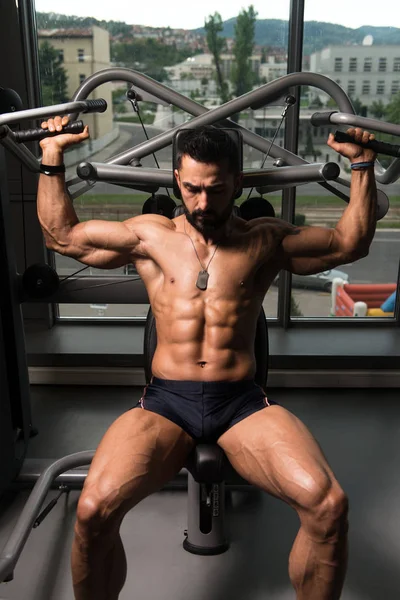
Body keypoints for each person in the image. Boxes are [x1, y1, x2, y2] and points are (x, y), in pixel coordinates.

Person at [37, 118, 377, 600]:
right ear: (177, 179)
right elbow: (63, 237)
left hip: (241, 404)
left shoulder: (264, 240)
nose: (201, 202)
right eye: (192, 188)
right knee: (92, 510)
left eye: (215, 190)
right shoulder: (150, 237)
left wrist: (362, 165)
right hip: (165, 403)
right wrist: (52, 157)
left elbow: (349, 243)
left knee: (329, 506)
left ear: (237, 183)